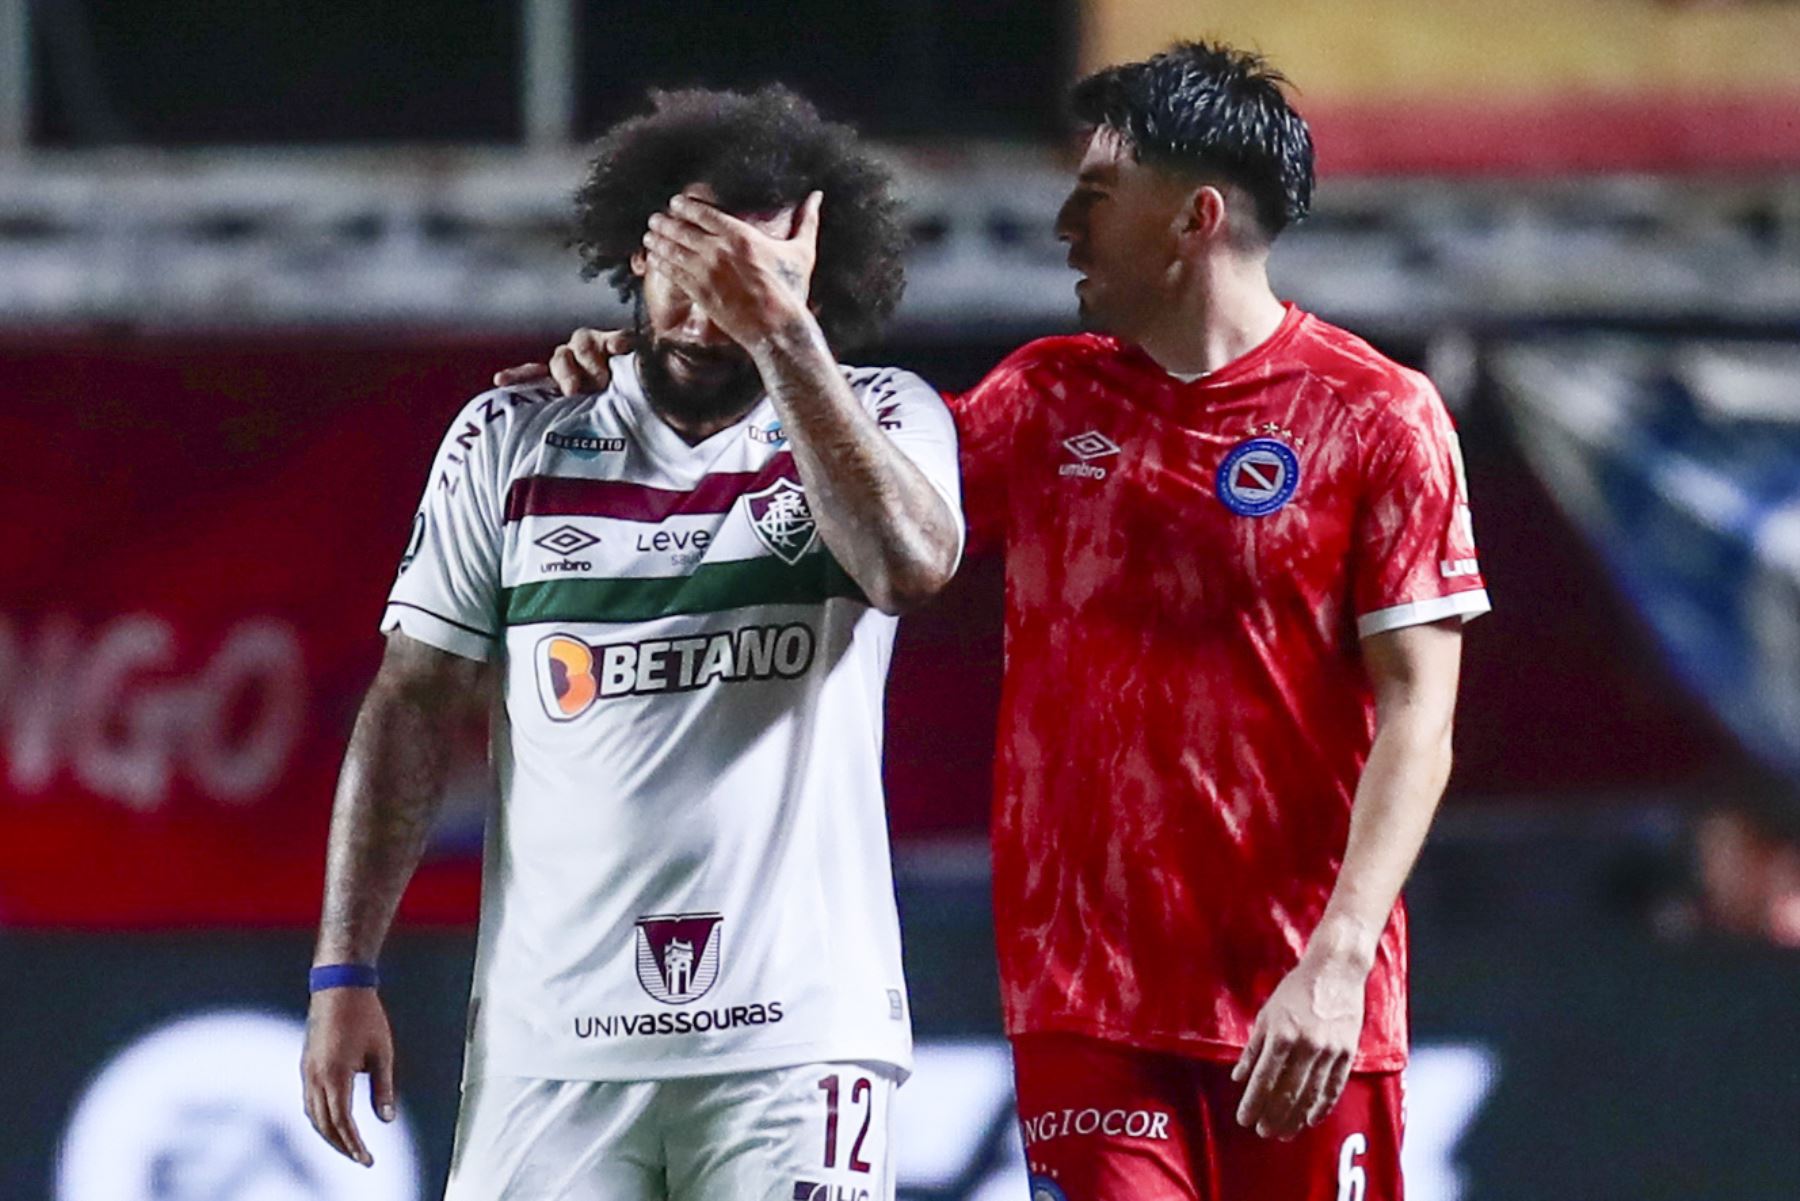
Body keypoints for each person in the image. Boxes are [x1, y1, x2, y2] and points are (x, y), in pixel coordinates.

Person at [504, 40, 1489, 1201]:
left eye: (1096, 192)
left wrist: (1339, 958)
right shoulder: (1042, 399)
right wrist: (665, 367)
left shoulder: (1378, 416)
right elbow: (855, 494)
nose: (1066, 221)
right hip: (1087, 1005)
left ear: (1195, 218)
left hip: (1303, 1005)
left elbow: (1420, 721)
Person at [300, 85, 964, 1201]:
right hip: (552, 1050)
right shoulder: (512, 436)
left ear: (804, 274)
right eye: (685, 265)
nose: (706, 312)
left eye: (739, 279)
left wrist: (783, 332)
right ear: (632, 252)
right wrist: (341, 969)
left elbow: (907, 565)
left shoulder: (885, 417)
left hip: (796, 1046)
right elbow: (410, 699)